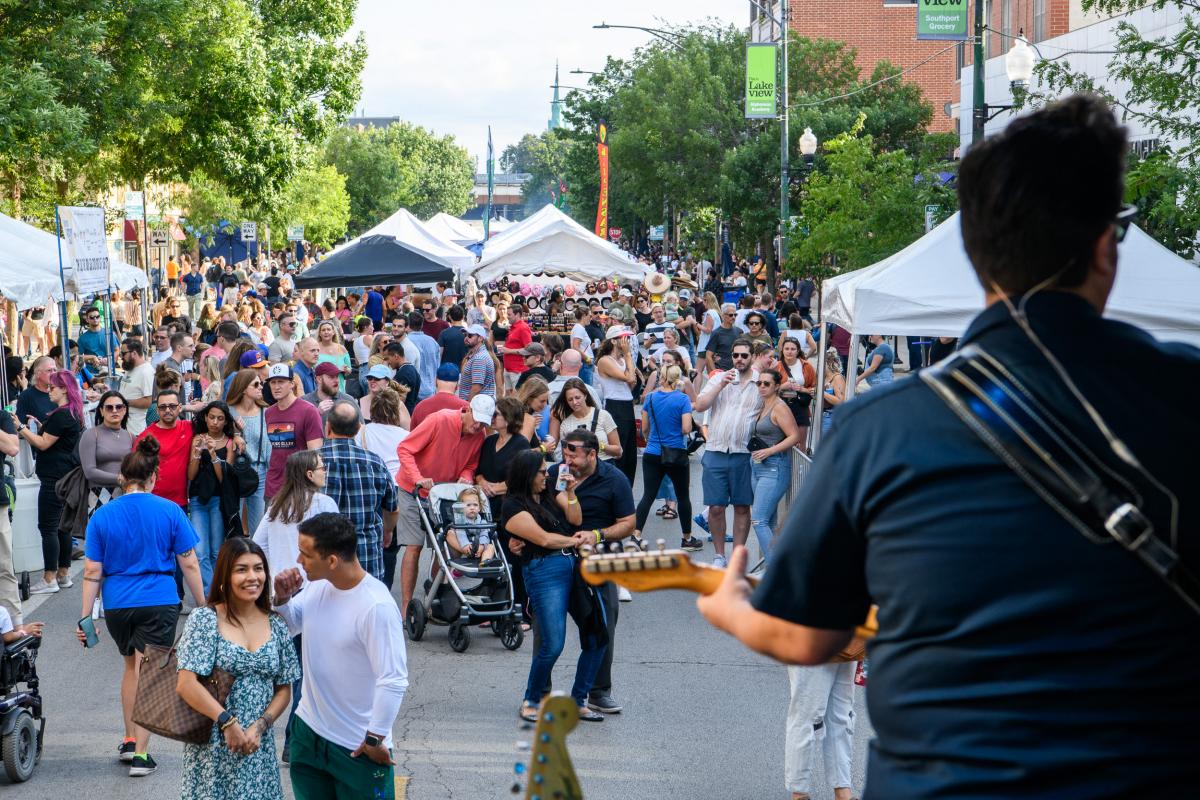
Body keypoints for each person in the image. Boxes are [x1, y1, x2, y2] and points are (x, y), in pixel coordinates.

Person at [701, 94, 1200, 797]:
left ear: (973, 254)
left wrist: (728, 608)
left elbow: (809, 636)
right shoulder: (1185, 396)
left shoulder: (882, 429)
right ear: (1105, 248)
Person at [78, 437, 206, 777]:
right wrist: (204, 604)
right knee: (152, 672)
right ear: (154, 478)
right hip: (159, 597)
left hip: (118, 603)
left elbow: (92, 571)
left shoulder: (102, 516)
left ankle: (130, 738)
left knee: (131, 668)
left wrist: (85, 616)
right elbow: (189, 562)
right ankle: (142, 755)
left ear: (122, 478)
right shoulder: (170, 510)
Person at [271, 513, 408, 799]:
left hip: (356, 746)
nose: (298, 560)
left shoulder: (376, 606)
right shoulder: (319, 584)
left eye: (305, 554)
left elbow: (393, 679)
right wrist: (283, 600)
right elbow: (293, 624)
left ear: (332, 560)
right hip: (308, 734)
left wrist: (374, 738)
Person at [175, 538, 300, 800]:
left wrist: (260, 726)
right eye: (241, 569)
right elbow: (186, 684)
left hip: (257, 747)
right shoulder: (205, 619)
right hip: (213, 748)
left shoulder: (276, 624)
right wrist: (227, 723)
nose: (252, 577)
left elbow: (284, 689)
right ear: (225, 575)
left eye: (258, 568)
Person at [504, 449, 603, 724]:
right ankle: (531, 700)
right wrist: (576, 541)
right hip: (545, 570)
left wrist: (571, 492)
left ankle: (579, 700)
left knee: (597, 634)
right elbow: (545, 540)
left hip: (572, 567)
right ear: (527, 475)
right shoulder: (513, 506)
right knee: (553, 644)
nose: (546, 475)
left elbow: (575, 519)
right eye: (541, 471)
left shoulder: (548, 493)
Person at [558, 428, 636, 714]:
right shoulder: (557, 473)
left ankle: (599, 690)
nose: (567, 458)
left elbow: (628, 522)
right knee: (546, 626)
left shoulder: (614, 480)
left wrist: (598, 535)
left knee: (604, 622)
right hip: (558, 553)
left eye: (573, 453)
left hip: (599, 555)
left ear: (592, 454)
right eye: (565, 451)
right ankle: (538, 693)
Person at [394, 395, 492, 612]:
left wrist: (466, 476)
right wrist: (418, 477)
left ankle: (433, 598)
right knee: (414, 546)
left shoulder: (480, 434)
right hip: (414, 490)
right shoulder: (440, 420)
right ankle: (407, 606)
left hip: (444, 494)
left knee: (444, 547)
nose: (478, 426)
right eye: (476, 420)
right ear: (467, 410)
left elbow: (471, 464)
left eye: (484, 423)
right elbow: (405, 449)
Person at [693, 338, 762, 568]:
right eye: (736, 355)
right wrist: (721, 384)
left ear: (752, 356)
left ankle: (736, 558)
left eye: (744, 355)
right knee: (715, 507)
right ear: (731, 357)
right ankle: (719, 556)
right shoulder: (719, 379)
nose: (740, 359)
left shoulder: (759, 382)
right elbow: (700, 406)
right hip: (716, 449)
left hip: (744, 452)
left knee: (742, 507)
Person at [17, 370, 83, 595]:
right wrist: (39, 425)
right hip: (66, 476)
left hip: (54, 478)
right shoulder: (72, 412)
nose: (49, 390)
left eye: (53, 387)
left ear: (64, 389)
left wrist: (20, 427)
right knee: (62, 527)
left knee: (48, 528)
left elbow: (43, 444)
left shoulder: (62, 415)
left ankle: (49, 578)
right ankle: (63, 574)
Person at [320, 401, 399, 583]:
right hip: (365, 553)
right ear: (357, 429)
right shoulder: (375, 463)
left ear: (328, 426)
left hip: (324, 553)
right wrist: (388, 531)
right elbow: (392, 508)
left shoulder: (312, 462)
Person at [633, 365, 698, 550]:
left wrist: (651, 439)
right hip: (676, 452)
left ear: (661, 377)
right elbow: (686, 428)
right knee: (683, 496)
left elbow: (644, 428)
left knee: (648, 495)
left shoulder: (651, 398)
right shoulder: (683, 399)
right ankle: (687, 539)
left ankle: (636, 536)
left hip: (653, 452)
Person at [747, 368, 804, 562]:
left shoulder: (779, 407)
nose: (761, 387)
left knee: (758, 520)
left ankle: (777, 573)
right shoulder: (762, 405)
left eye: (766, 384)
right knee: (768, 521)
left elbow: (795, 435)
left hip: (774, 467)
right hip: (757, 466)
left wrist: (770, 451)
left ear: (776, 386)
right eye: (759, 383)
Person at [188, 401, 241, 591]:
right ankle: (210, 594)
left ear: (225, 421)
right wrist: (196, 453)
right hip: (197, 499)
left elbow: (223, 478)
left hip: (218, 500)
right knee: (200, 551)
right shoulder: (197, 439)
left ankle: (215, 592)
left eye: (220, 418)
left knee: (216, 551)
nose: (215, 422)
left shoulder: (229, 442)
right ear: (205, 417)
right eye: (212, 417)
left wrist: (211, 453)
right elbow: (191, 475)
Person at [263, 364, 323, 500]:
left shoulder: (309, 411)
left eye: (281, 382)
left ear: (292, 384)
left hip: (299, 487)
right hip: (273, 486)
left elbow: (315, 454)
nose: (276, 386)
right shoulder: (269, 412)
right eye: (273, 382)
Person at [228, 369, 271, 535]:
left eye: (261, 383)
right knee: (233, 520)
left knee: (258, 526)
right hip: (235, 471)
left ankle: (256, 558)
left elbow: (268, 447)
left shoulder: (265, 412)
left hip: (259, 471)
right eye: (256, 384)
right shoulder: (229, 411)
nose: (261, 387)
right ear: (243, 388)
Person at [595, 327, 639, 485]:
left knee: (629, 452)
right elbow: (629, 378)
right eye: (623, 338)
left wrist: (627, 360)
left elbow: (632, 384)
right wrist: (628, 355)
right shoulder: (605, 360)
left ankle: (627, 488)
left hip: (627, 404)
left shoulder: (622, 360)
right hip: (615, 406)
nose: (627, 341)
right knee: (619, 451)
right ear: (614, 340)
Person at [548, 377, 621, 463]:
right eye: (570, 399)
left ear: (585, 396)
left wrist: (599, 445)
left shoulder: (603, 415)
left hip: (604, 466)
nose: (575, 402)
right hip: (580, 470)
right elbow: (566, 458)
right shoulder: (566, 424)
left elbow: (618, 451)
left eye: (577, 397)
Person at [80, 390, 135, 502]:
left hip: (127, 493)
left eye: (119, 407)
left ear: (124, 410)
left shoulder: (131, 436)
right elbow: (89, 472)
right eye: (109, 407)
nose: (114, 411)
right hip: (99, 494)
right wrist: (120, 479)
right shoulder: (90, 434)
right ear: (101, 411)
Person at [410, 363, 468, 428]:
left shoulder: (420, 407)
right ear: (457, 385)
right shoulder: (467, 408)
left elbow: (412, 434)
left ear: (435, 382)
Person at [445, 486, 495, 562]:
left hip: (477, 545)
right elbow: (460, 534)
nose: (472, 508)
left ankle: (484, 562)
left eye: (475, 505)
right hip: (462, 545)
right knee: (450, 534)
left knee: (491, 546)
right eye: (468, 505)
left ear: (479, 508)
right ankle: (467, 553)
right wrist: (465, 546)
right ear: (461, 508)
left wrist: (481, 546)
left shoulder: (482, 522)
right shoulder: (459, 520)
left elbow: (484, 535)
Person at [118, 338, 155, 436]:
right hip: (124, 426)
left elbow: (148, 401)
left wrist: (123, 402)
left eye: (123, 353)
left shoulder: (146, 372)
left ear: (134, 353)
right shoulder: (130, 367)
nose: (120, 356)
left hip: (136, 430)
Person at [406, 311, 441, 401]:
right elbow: (437, 366)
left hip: (414, 392)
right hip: (431, 391)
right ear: (422, 325)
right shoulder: (432, 341)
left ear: (408, 325)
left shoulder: (406, 342)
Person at [457, 324, 496, 400]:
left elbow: (476, 388)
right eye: (465, 335)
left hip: (477, 405)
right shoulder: (476, 355)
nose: (466, 338)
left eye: (470, 335)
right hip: (478, 403)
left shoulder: (479, 358)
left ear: (480, 338)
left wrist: (467, 406)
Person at [15, 355, 56, 425]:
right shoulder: (26, 396)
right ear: (37, 374)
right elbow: (19, 425)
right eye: (49, 370)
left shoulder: (60, 391)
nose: (53, 373)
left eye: (55, 370)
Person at [499, 304, 532, 391]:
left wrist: (509, 351)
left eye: (509, 314)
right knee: (509, 396)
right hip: (509, 368)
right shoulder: (513, 327)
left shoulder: (523, 328)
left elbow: (529, 349)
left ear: (517, 315)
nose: (507, 316)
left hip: (518, 369)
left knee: (517, 396)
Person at [313, 320, 351, 393]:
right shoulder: (315, 348)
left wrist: (346, 370)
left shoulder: (341, 348)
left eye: (329, 329)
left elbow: (349, 370)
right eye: (323, 330)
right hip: (320, 390)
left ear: (333, 332)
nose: (326, 332)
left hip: (339, 389)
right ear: (320, 333)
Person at [516, 376, 551, 451]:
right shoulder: (527, 418)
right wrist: (544, 448)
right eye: (542, 401)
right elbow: (521, 452)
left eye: (546, 401)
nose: (545, 405)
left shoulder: (519, 413)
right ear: (529, 398)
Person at [705, 304, 743, 372]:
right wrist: (715, 372)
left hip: (737, 371)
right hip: (722, 371)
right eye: (731, 315)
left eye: (735, 315)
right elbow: (708, 355)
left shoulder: (739, 331)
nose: (733, 317)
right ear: (723, 316)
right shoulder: (716, 333)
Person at [820, 347, 847, 435]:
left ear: (828, 363)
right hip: (822, 416)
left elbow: (841, 401)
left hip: (832, 417)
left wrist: (821, 393)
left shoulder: (837, 378)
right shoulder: (824, 378)